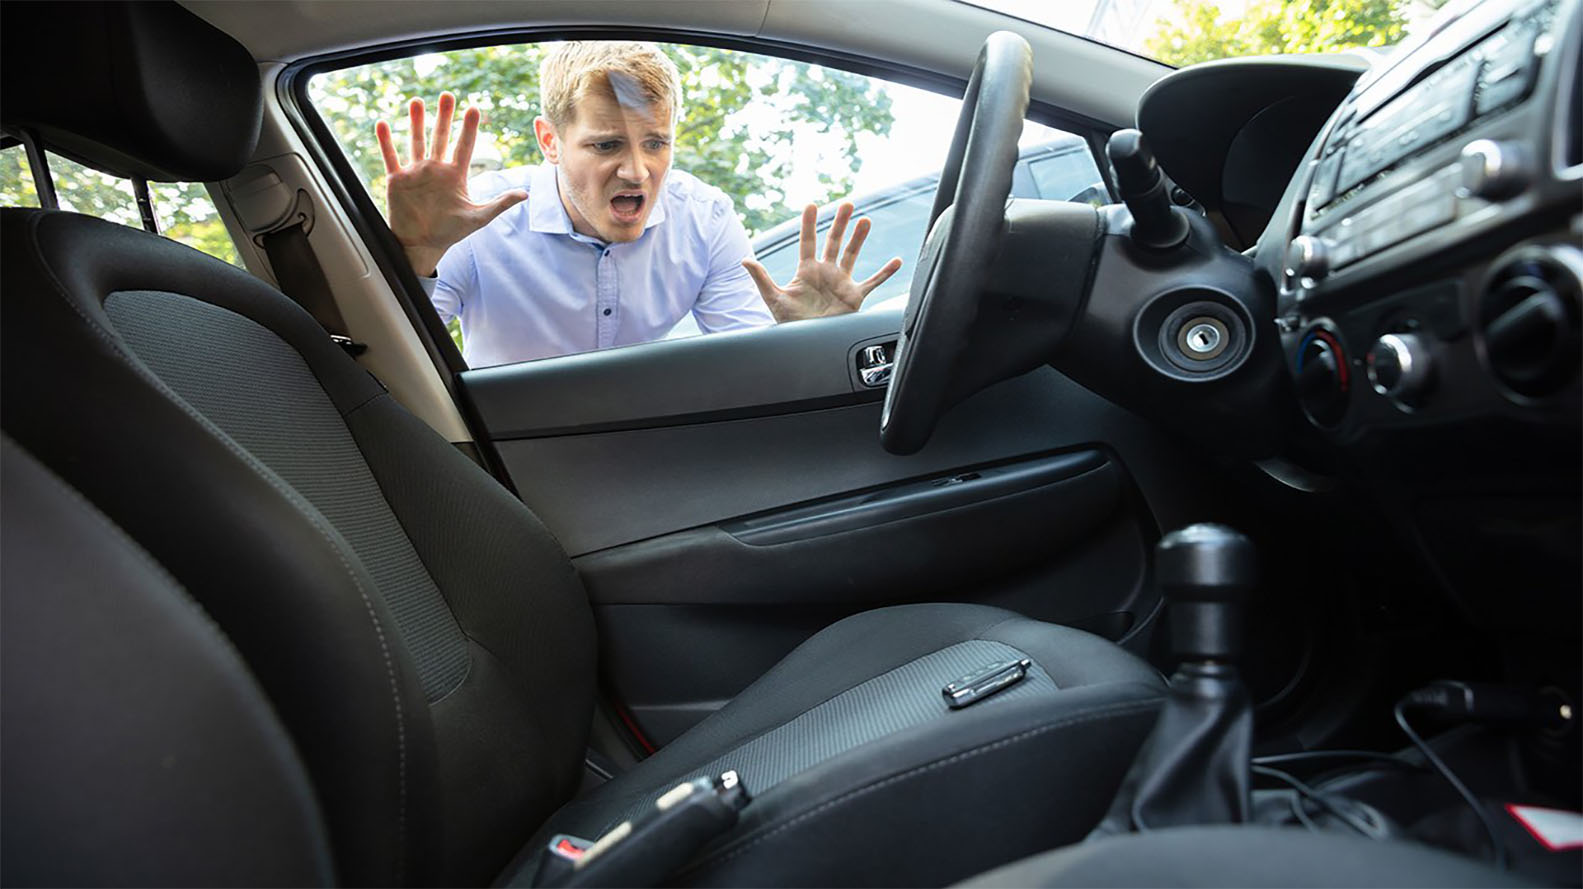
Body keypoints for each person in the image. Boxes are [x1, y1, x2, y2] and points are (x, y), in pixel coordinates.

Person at [375, 41, 903, 367]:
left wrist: (807, 341)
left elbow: (750, 365)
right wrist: (418, 256)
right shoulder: (477, 218)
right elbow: (391, 361)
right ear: (550, 141)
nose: (636, 170)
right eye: (607, 145)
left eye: (656, 143)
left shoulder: (704, 218)